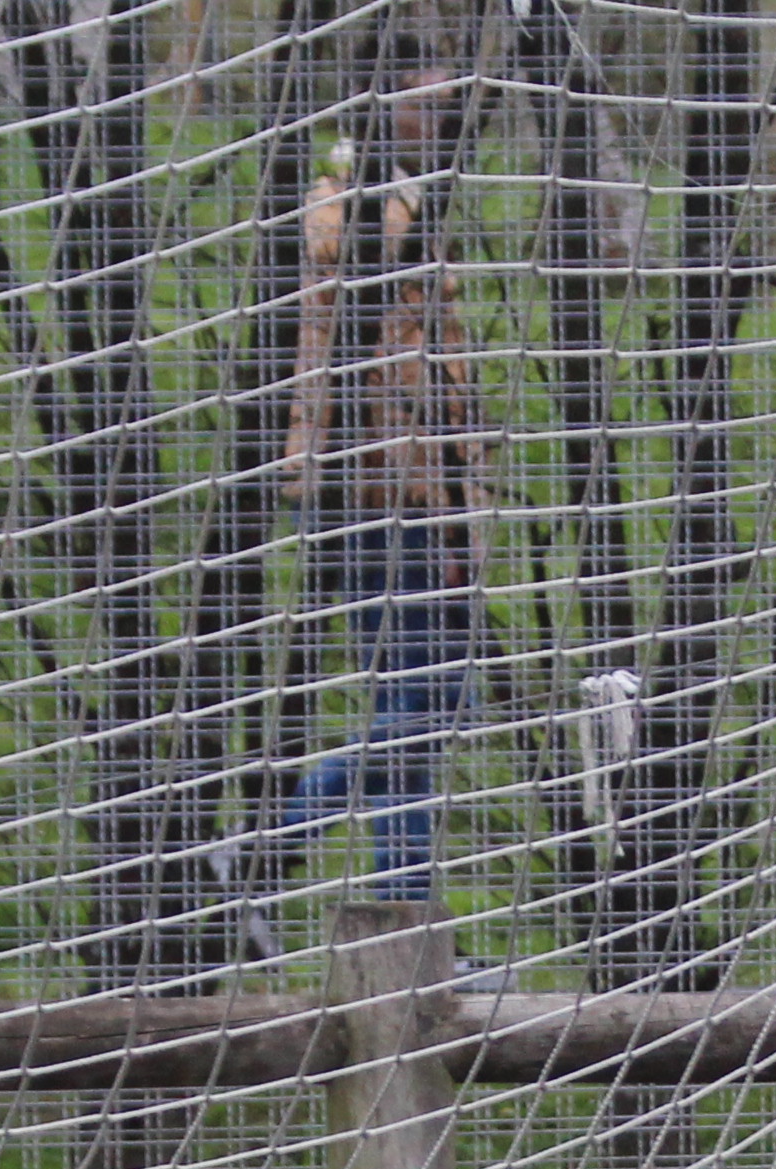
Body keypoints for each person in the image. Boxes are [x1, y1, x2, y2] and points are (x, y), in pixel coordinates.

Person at [276, 100, 492, 907]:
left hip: (411, 493)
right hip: (377, 495)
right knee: (429, 701)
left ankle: (400, 908)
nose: (441, 103)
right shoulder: (358, 209)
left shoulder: (399, 201)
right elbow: (401, 376)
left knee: (424, 705)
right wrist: (444, 504)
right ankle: (264, 850)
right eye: (423, 90)